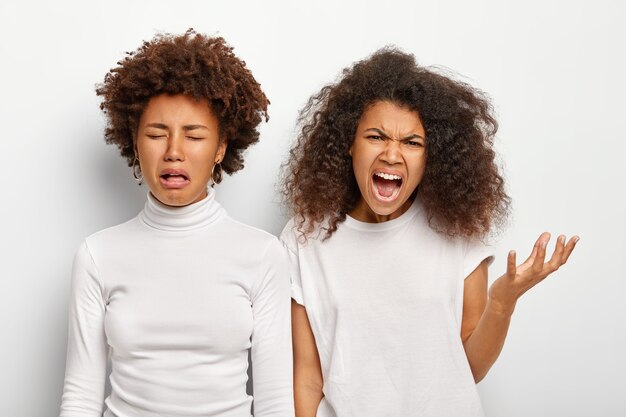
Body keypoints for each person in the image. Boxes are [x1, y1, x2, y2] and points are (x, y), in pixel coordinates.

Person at [280, 48, 578, 417]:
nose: (392, 154)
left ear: (429, 155)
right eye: (376, 136)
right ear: (349, 143)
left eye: (412, 142)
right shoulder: (305, 237)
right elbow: (307, 377)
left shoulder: (456, 231)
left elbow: (471, 369)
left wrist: (502, 302)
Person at [60, 30, 293, 417]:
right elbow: (80, 397)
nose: (173, 152)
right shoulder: (97, 255)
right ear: (134, 144)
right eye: (156, 134)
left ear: (221, 148)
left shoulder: (263, 254)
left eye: (194, 135)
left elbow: (275, 402)